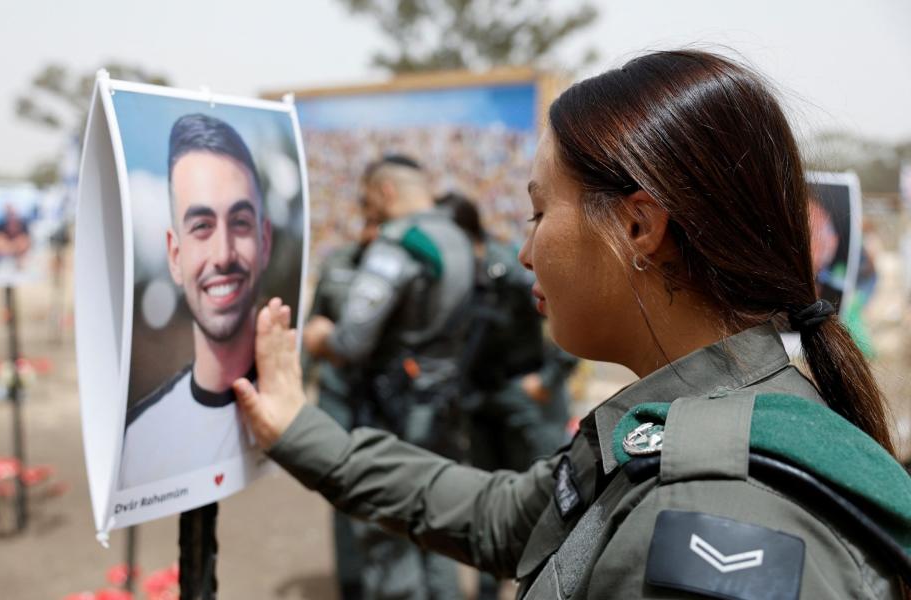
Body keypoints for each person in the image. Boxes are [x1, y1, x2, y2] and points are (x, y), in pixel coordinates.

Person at [234, 50, 911, 599]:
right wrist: (301, 431)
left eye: (538, 212)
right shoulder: (689, 426)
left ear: (639, 226)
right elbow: (501, 516)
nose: (525, 251)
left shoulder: (714, 515)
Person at [302, 155, 475, 600]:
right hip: (444, 404)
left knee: (386, 529)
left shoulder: (397, 242)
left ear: (386, 193)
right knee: (439, 523)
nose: (367, 214)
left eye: (367, 202)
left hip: (393, 411)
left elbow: (352, 340)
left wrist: (321, 338)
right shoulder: (457, 234)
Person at [119, 113, 272, 489]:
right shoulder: (138, 440)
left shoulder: (291, 423)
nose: (223, 254)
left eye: (240, 222)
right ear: (174, 255)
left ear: (265, 241)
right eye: (201, 227)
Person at [437, 191, 577, 599]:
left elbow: (568, 315)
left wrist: (546, 380)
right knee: (485, 498)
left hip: (525, 400)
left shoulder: (510, 270)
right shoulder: (459, 275)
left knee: (546, 503)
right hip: (481, 402)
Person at [302, 215, 380, 600]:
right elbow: (312, 321)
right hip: (336, 395)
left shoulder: (395, 267)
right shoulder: (336, 264)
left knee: (378, 487)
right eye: (370, 220)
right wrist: (299, 385)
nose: (374, 229)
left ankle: (379, 580)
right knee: (340, 488)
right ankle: (351, 585)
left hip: (378, 398)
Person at [0, 204, 32, 271]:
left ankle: (20, 265)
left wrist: (14, 245)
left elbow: (27, 240)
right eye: (9, 214)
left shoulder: (23, 225)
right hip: (4, 249)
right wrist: (6, 245)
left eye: (12, 214)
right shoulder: (1, 225)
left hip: (17, 250)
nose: (11, 216)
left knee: (23, 241)